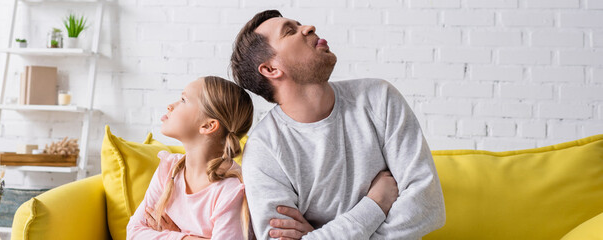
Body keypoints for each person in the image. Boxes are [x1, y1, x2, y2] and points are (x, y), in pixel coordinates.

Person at [231, 10, 446, 239]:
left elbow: (428, 205)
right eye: (290, 31)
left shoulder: (379, 98)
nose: (309, 28)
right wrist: (375, 204)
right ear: (271, 69)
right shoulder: (264, 150)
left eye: (300, 24)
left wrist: (319, 235)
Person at [126, 76, 254, 240]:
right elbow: (134, 232)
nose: (170, 106)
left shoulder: (232, 190)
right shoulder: (169, 169)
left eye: (183, 100)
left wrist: (176, 234)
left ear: (208, 125)